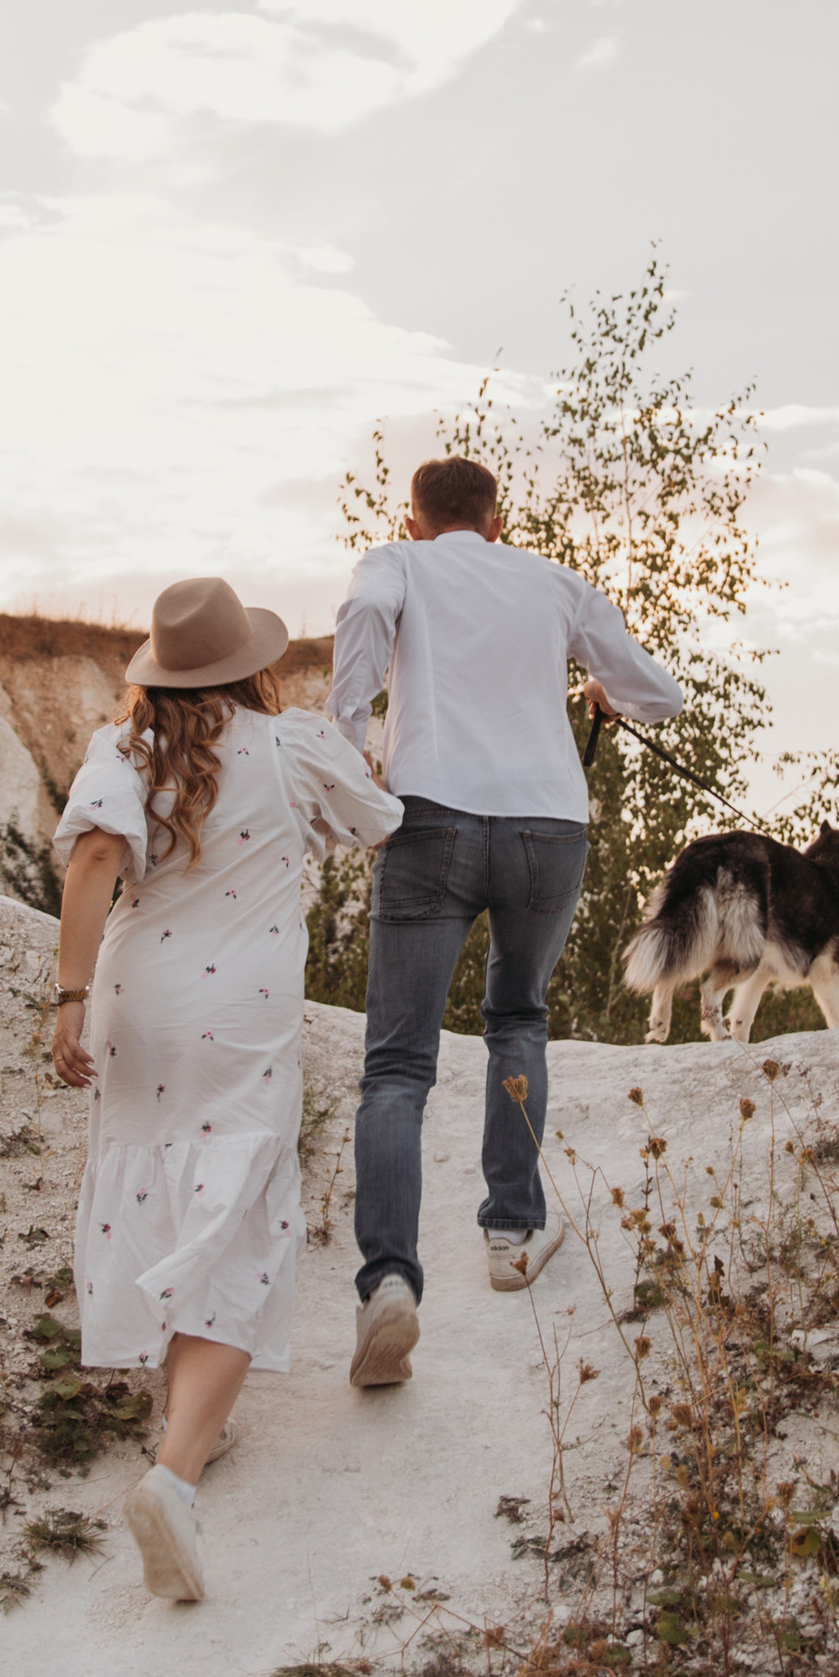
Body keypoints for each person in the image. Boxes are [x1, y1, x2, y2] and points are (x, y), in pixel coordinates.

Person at [52, 572, 401, 1603]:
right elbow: (378, 819)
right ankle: (177, 1471)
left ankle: (191, 1413)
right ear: (250, 667)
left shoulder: (120, 750)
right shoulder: (289, 746)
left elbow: (91, 866)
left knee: (158, 1188)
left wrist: (68, 1000)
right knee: (242, 1215)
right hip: (241, 1010)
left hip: (135, 998)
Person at [329, 454, 685, 1389]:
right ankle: (511, 1234)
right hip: (546, 824)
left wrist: (348, 738)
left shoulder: (396, 566)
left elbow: (364, 617)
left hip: (432, 816)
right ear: (496, 521)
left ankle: (389, 1286)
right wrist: (610, 695)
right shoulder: (554, 580)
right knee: (518, 1019)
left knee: (398, 1063)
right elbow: (662, 694)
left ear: (416, 521)